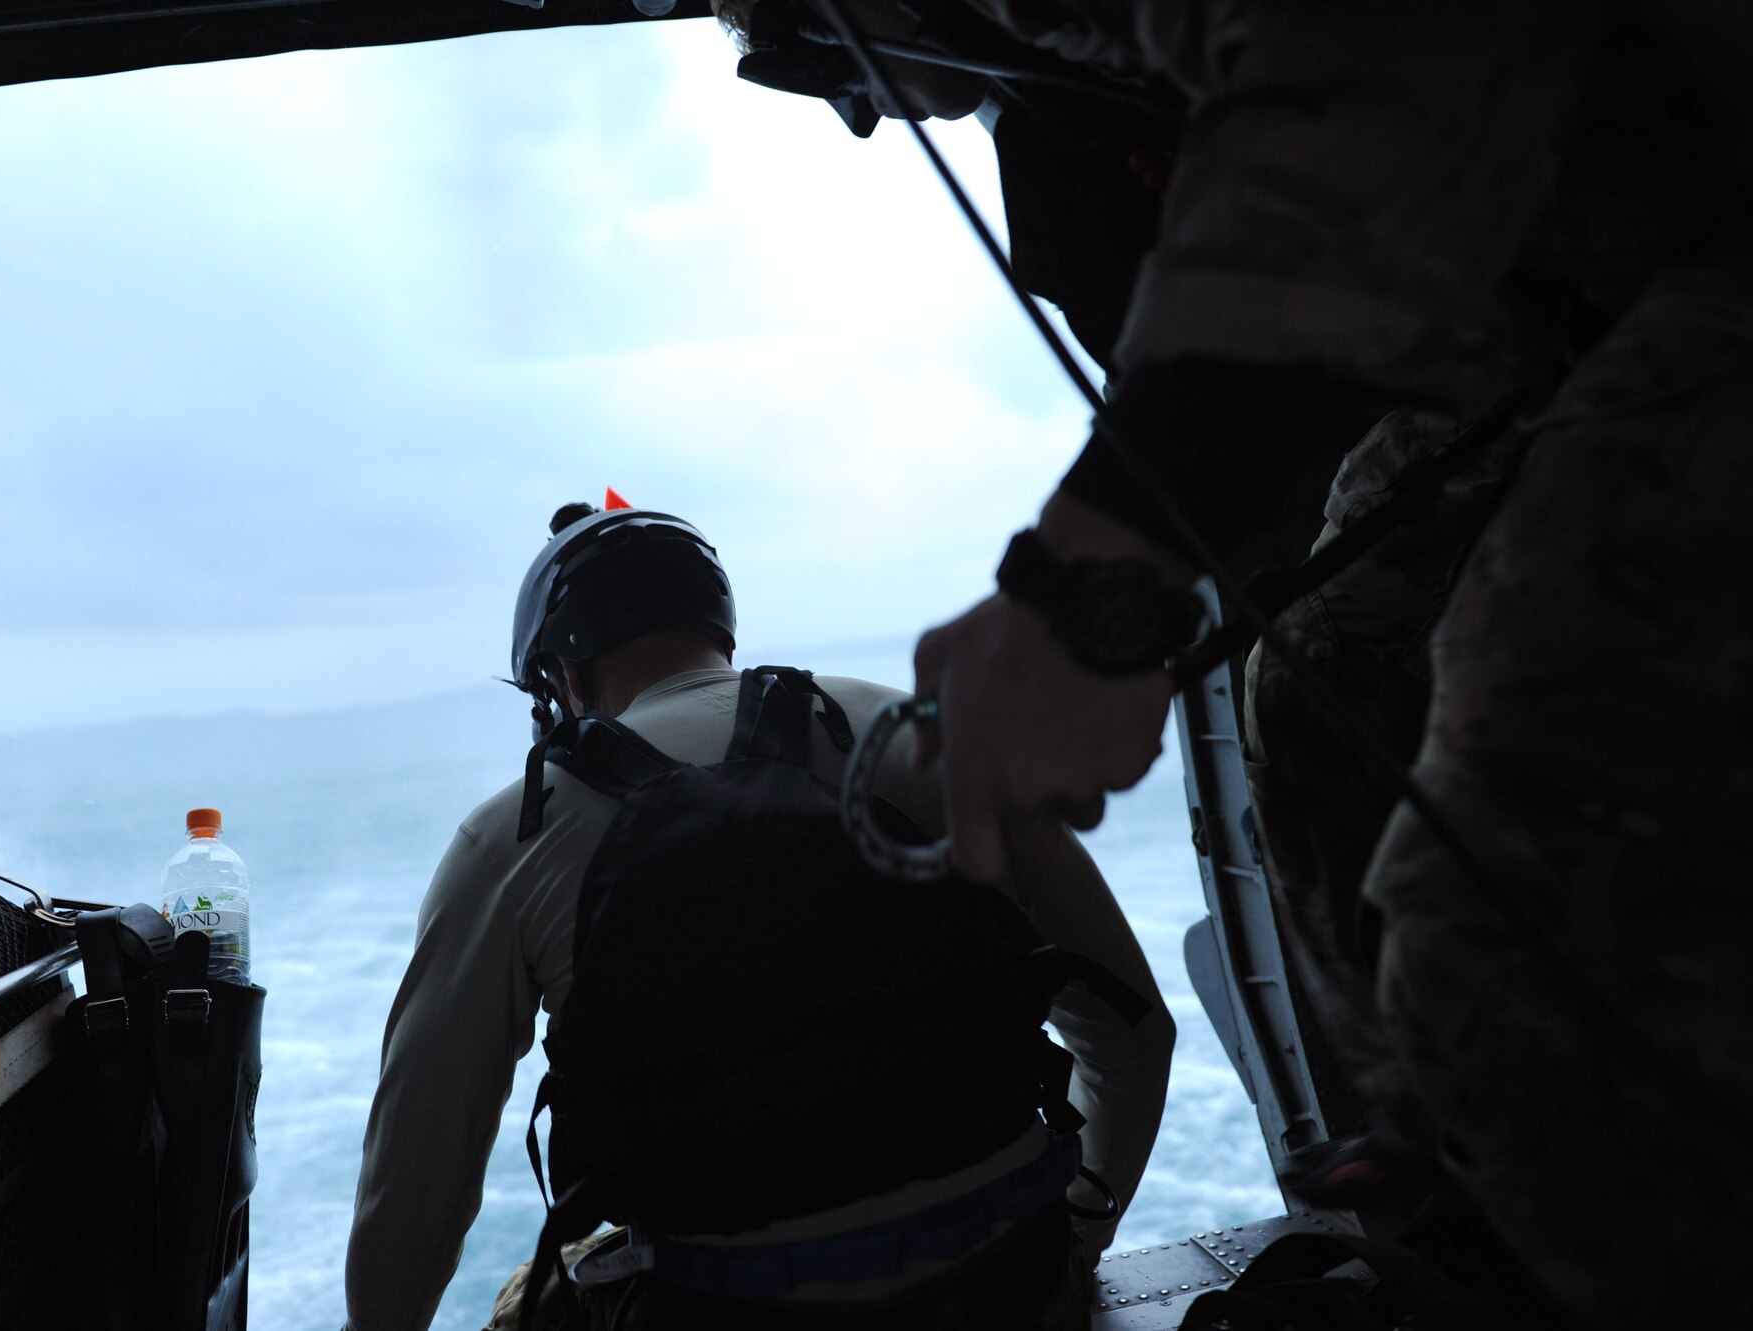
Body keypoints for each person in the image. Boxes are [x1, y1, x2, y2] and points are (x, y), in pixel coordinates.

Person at [714, 2, 1753, 1325]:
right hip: (1582, 283)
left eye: (797, 58)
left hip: (1703, 243)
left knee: (1488, 893)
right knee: (1321, 675)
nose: (857, 108)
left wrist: (1096, 578)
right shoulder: (1065, 133)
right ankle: (1469, 1184)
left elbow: (1392, 42)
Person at [344, 499, 1175, 1331]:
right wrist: (1077, 1241)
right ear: (718, 627)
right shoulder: (914, 732)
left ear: (561, 676)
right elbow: (1132, 1038)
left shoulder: (509, 835)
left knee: (533, 1295)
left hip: (717, 1309)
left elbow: (414, 1195)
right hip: (1008, 1284)